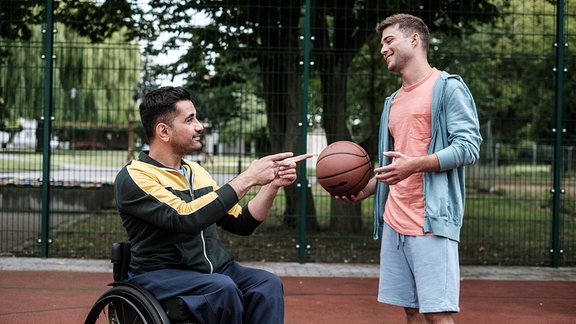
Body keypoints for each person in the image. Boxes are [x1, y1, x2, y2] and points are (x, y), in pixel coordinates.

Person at [114, 86, 311, 324]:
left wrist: (272, 184)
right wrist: (247, 177)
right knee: (221, 289)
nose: (200, 126)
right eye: (190, 120)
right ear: (164, 131)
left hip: (213, 272)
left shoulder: (196, 171)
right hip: (161, 275)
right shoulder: (136, 176)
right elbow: (184, 218)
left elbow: (242, 223)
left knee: (266, 284)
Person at [336, 14, 482, 323]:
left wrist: (415, 165)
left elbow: (468, 147)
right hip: (395, 222)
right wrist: (367, 188)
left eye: (389, 41)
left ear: (414, 40)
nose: (382, 49)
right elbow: (394, 165)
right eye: (381, 44)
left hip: (431, 222)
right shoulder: (393, 102)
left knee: (438, 315)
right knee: (412, 312)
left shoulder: (447, 88)